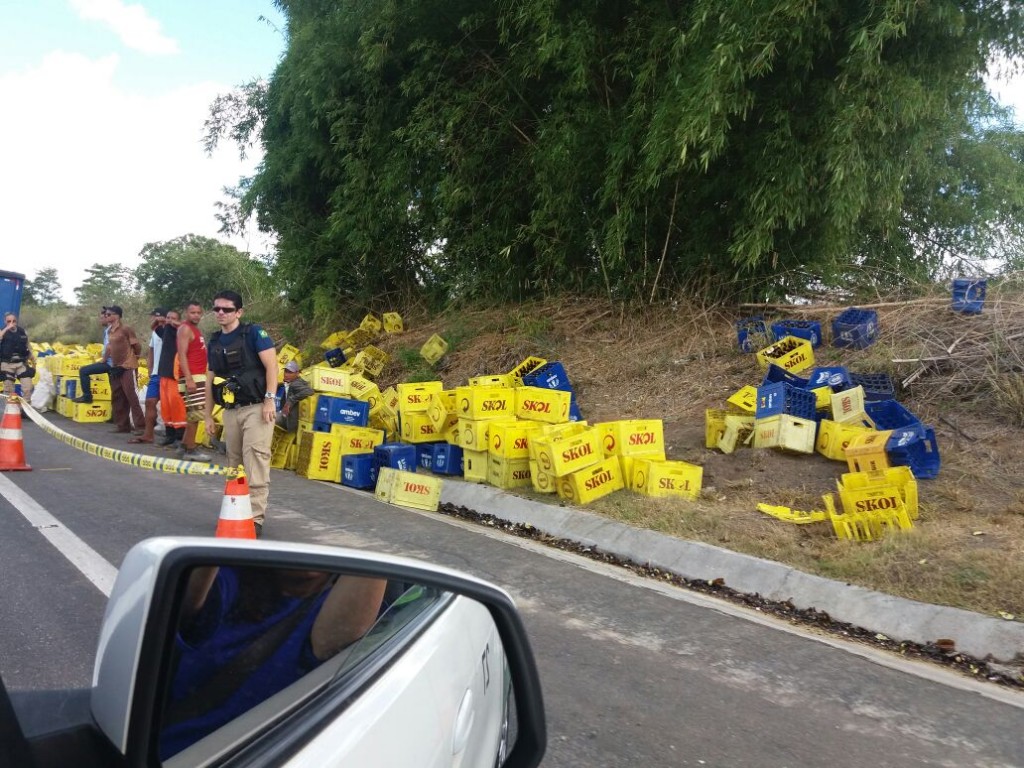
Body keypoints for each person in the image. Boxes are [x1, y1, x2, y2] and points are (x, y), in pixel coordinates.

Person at [160, 565, 386, 759]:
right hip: (182, 754)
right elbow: (187, 607)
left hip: (266, 754)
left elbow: (332, 642)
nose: (309, 567)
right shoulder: (230, 580)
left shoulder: (335, 607)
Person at [203, 291, 278, 537]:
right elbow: (210, 379)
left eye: (226, 309)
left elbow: (272, 366)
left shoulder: (254, 334)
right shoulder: (214, 342)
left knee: (256, 462)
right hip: (231, 411)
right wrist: (207, 415)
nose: (220, 313)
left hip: (257, 408)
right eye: (217, 309)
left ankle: (255, 520)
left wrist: (269, 401)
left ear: (239, 312)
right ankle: (235, 514)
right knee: (234, 466)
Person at [176, 301, 212, 461]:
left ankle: (184, 445)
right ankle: (190, 450)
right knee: (196, 415)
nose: (196, 315)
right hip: (192, 377)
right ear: (186, 313)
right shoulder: (185, 329)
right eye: (192, 312)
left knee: (194, 414)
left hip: (197, 376)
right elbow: (182, 354)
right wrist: (189, 378)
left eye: (198, 312)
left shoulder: (194, 329)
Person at [129, 307, 169, 444]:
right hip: (156, 374)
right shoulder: (155, 332)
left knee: (169, 405)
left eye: (155, 317)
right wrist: (151, 369)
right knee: (150, 402)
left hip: (169, 374)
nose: (153, 319)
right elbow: (151, 351)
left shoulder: (174, 332)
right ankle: (148, 434)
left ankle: (172, 435)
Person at [104, 305, 145, 435]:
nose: (107, 316)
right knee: (117, 395)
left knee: (131, 395)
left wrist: (134, 358)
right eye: (106, 314)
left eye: (109, 314)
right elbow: (109, 348)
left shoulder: (125, 329)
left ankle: (140, 426)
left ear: (117, 315)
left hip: (128, 366)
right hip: (116, 366)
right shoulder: (110, 331)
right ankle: (122, 425)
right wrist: (104, 360)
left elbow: (136, 345)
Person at [157, 310, 187, 448]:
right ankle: (169, 435)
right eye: (167, 317)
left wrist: (174, 322)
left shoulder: (182, 332)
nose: (169, 320)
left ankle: (180, 438)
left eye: (173, 318)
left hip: (176, 375)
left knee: (177, 407)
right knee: (166, 407)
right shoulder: (166, 331)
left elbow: (185, 326)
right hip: (164, 374)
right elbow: (154, 325)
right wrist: (163, 320)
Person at [73, 307, 114, 404]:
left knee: (83, 371)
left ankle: (87, 397)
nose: (100, 320)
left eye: (101, 318)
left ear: (107, 317)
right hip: (111, 363)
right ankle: (114, 415)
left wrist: (104, 359)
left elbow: (109, 347)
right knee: (114, 389)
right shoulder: (109, 329)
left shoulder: (110, 330)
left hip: (110, 364)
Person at [0, 313, 35, 402]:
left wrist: (32, 356)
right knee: (8, 389)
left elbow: (28, 345)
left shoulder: (22, 332)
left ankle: (26, 409)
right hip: (7, 363)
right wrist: (6, 329)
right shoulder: (2, 331)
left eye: (14, 321)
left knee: (28, 387)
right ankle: (10, 409)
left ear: (16, 321)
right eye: (9, 321)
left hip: (21, 363)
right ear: (5, 321)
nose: (11, 323)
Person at [275, 360, 315, 432]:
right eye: (286, 371)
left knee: (268, 418)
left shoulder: (295, 384)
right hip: (286, 416)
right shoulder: (290, 382)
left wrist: (291, 400)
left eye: (290, 372)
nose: (286, 374)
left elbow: (309, 391)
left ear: (297, 373)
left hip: (291, 420)